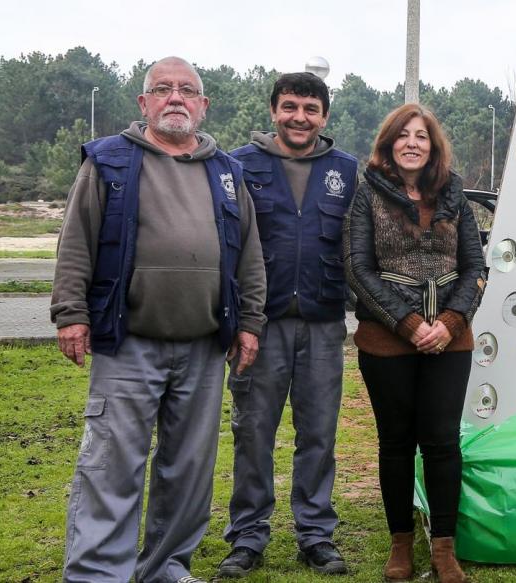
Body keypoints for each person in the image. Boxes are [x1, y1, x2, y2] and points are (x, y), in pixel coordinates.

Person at [51, 56, 266, 583]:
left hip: (202, 347)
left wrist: (250, 322)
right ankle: (99, 573)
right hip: (129, 343)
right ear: (144, 103)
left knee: (188, 470)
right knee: (111, 465)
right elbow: (76, 240)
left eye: (187, 90)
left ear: (203, 105)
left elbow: (250, 256)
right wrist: (70, 312)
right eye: (163, 89)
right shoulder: (109, 161)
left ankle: (166, 566)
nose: (176, 98)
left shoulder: (227, 172)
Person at [217, 72, 359, 577]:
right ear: (274, 110)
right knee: (253, 431)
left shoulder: (346, 170)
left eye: (311, 108)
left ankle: (315, 534)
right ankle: (248, 536)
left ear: (324, 116)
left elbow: (358, 250)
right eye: (290, 106)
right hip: (260, 326)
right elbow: (226, 245)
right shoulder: (237, 165)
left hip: (323, 326)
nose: (300, 117)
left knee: (318, 435)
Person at [344, 102, 484, 583]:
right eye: (403, 135)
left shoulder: (454, 195)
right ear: (388, 143)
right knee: (397, 444)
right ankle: (401, 543)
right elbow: (358, 268)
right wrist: (408, 324)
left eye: (421, 135)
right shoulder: (368, 196)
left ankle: (444, 547)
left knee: (443, 443)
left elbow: (473, 268)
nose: (412, 143)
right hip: (387, 341)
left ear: (433, 145)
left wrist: (448, 322)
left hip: (450, 340)